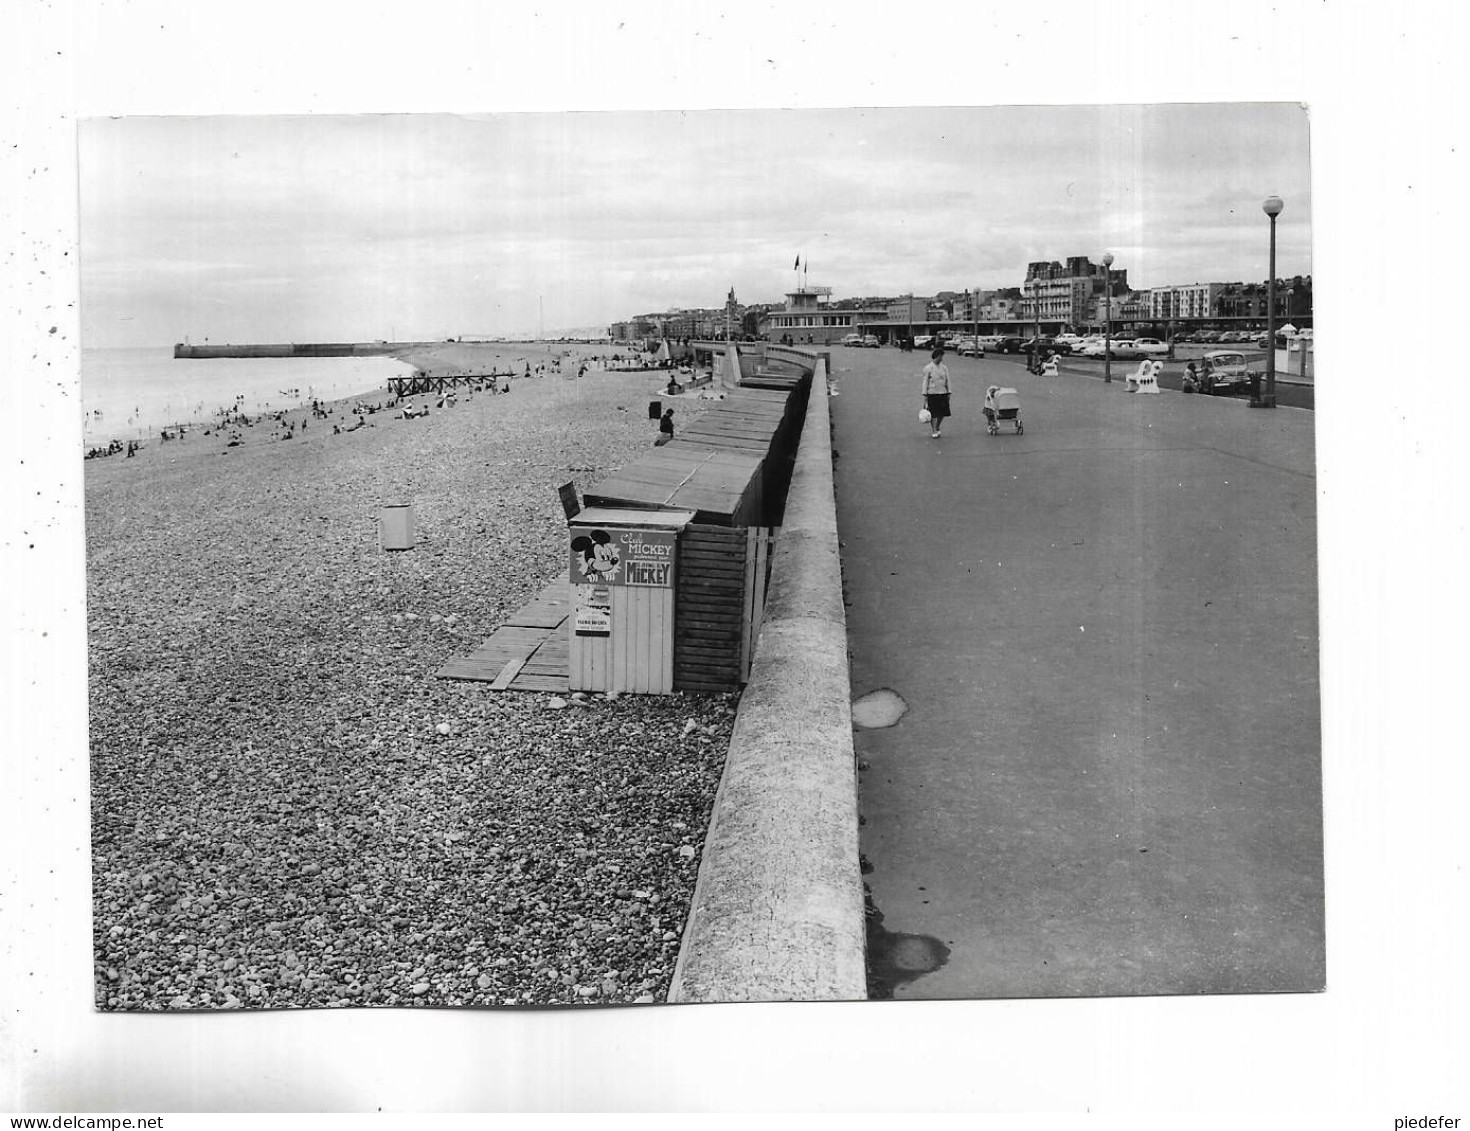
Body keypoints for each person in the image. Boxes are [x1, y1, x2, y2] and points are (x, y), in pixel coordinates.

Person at [920, 346, 952, 439]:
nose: (941, 358)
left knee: (942, 412)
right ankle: (934, 429)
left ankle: (937, 426)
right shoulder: (928, 368)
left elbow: (948, 380)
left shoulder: (944, 368)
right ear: (936, 356)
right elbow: (925, 381)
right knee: (933, 413)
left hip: (943, 392)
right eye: (940, 356)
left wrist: (949, 392)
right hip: (932, 392)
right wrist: (925, 394)